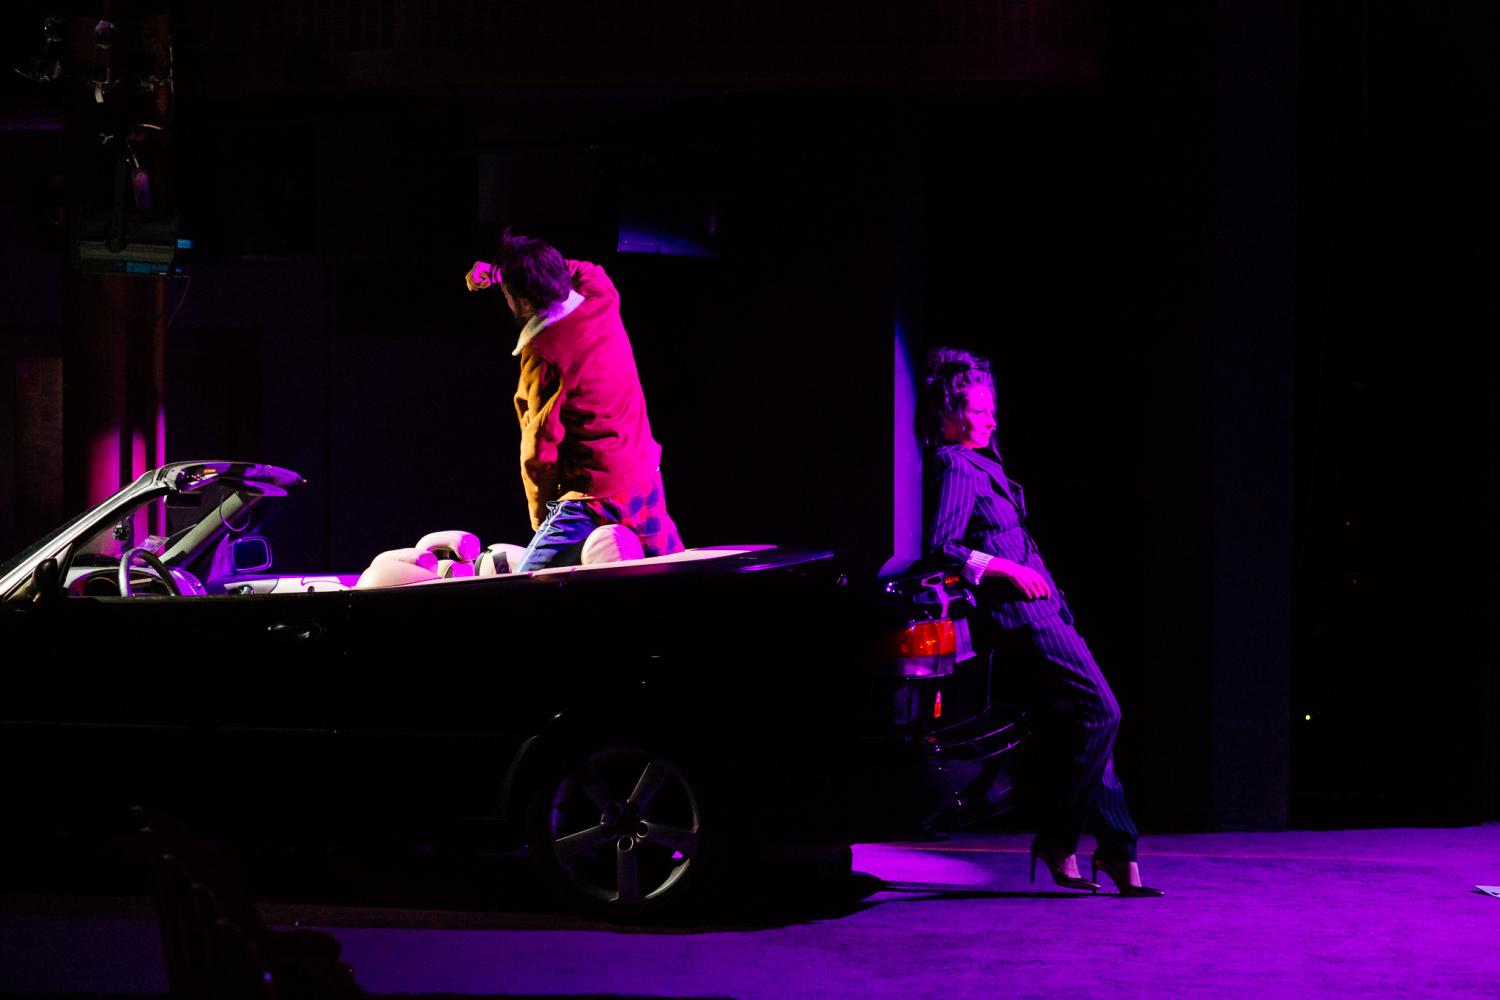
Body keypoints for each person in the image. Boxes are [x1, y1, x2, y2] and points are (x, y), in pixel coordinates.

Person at [918, 347, 1161, 897]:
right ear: (950, 414)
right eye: (979, 411)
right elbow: (942, 547)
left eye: (991, 409)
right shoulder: (955, 464)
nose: (991, 419)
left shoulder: (983, 461)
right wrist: (1004, 569)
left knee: (1089, 722)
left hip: (1049, 610)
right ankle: (1058, 840)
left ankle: (1119, 851)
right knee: (1103, 712)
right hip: (1022, 616)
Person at [465, 231, 683, 570]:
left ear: (524, 303)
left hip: (592, 496)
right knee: (676, 574)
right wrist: (501, 272)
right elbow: (581, 268)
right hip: (643, 476)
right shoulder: (600, 296)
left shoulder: (543, 352)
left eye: (508, 294)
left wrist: (540, 516)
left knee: (525, 583)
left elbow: (539, 447)